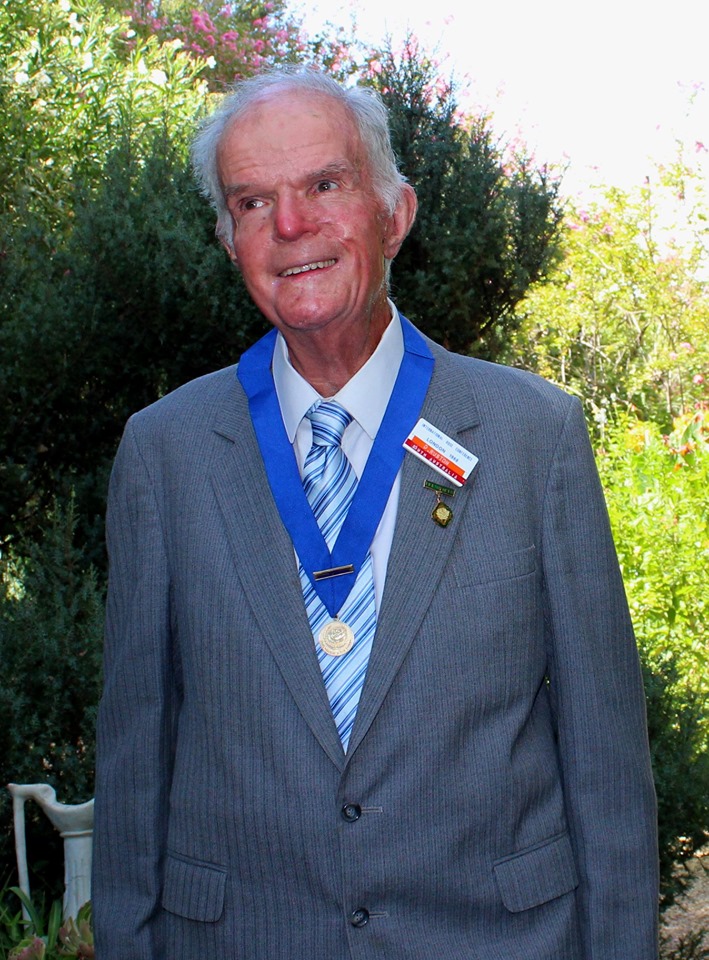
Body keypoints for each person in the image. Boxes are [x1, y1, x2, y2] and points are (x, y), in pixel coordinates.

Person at [92, 66, 659, 959]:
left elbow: (604, 752)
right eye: (251, 202)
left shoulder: (530, 435)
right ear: (227, 237)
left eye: (324, 184)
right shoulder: (163, 453)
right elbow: (132, 761)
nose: (289, 226)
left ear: (394, 214)